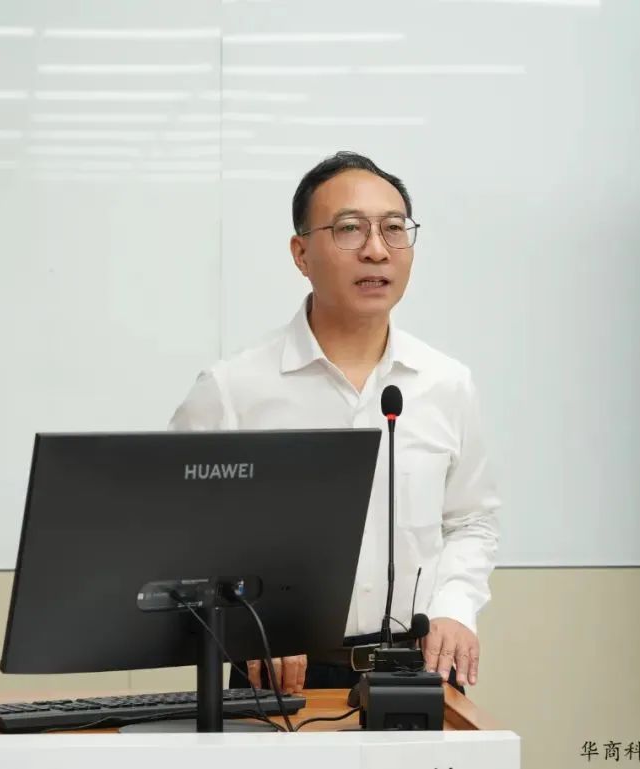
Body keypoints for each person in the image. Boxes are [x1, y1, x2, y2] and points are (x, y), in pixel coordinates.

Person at [169, 151, 501, 695]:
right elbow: (180, 531)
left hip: (417, 667)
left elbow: (471, 521)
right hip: (277, 672)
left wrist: (455, 607)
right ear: (301, 253)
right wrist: (251, 619)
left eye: (393, 228)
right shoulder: (233, 389)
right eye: (349, 229)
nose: (376, 249)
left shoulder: (447, 383)